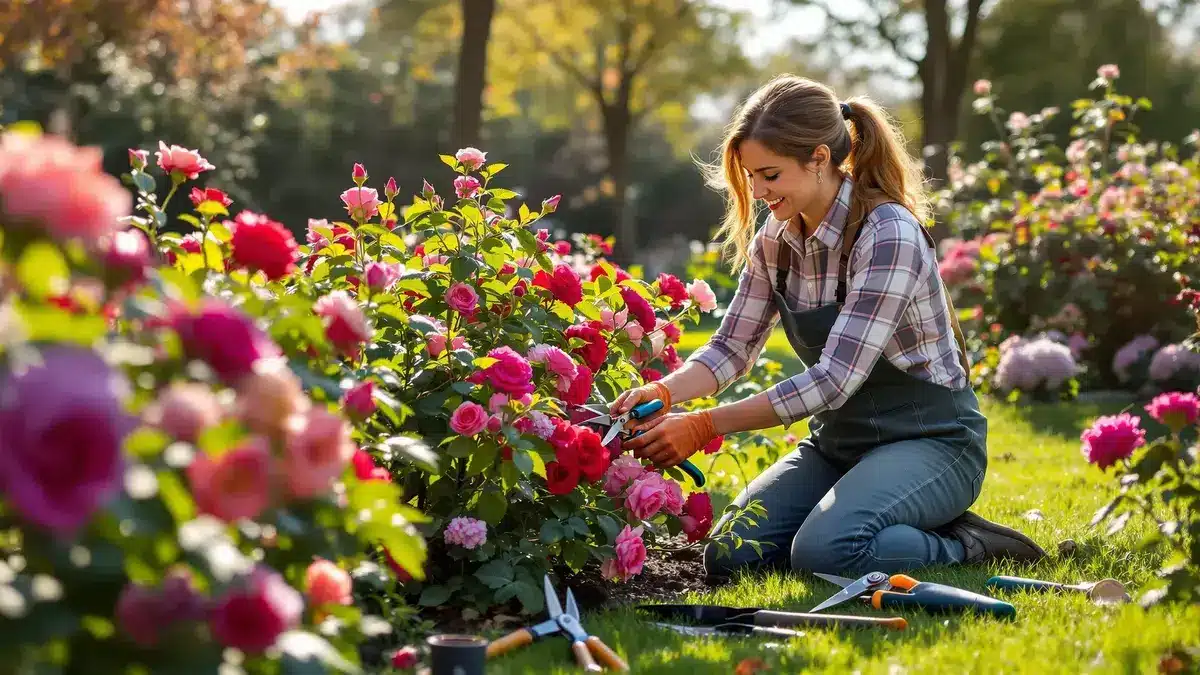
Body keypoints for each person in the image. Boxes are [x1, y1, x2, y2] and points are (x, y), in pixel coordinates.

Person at [610, 74, 1047, 581]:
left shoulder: (887, 233)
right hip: (839, 444)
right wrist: (664, 393)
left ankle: (966, 544)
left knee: (826, 552)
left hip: (933, 443)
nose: (757, 191)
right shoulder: (775, 238)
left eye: (769, 175)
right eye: (751, 176)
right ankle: (874, 520)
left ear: (819, 159)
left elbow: (833, 379)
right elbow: (731, 347)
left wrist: (704, 425)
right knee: (733, 553)